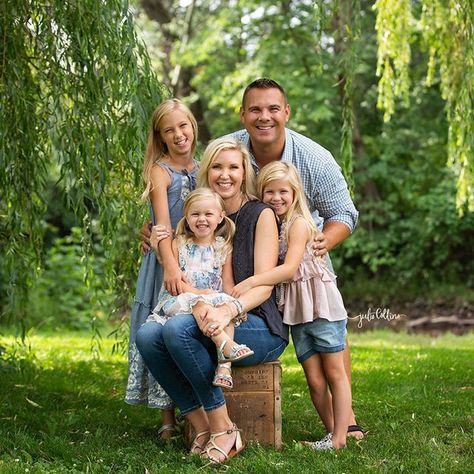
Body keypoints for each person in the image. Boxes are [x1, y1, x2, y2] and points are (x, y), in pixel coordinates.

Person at [139, 78, 363, 438]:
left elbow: (343, 214)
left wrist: (314, 245)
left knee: (327, 347)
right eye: (255, 109)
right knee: (151, 333)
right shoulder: (222, 169)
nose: (264, 116)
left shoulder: (309, 164)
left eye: (273, 108)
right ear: (243, 115)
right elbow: (180, 195)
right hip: (226, 298)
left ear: (286, 112)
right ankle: (199, 424)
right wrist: (155, 229)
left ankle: (343, 424)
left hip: (289, 279)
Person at [135, 138, 287, 464]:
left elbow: (264, 284)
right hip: (208, 314)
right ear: (207, 171)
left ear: (245, 172)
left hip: (256, 322)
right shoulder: (201, 214)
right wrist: (149, 233)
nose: (225, 174)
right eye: (217, 167)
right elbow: (167, 230)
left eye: (234, 167)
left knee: (178, 330)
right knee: (147, 336)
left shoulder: (260, 215)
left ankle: (224, 427)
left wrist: (228, 308)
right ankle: (201, 425)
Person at [232, 161, 351, 449]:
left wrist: (250, 282)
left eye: (283, 191)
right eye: (269, 192)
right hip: (297, 311)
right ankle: (332, 433)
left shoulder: (299, 223)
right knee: (313, 378)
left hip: (320, 306)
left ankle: (340, 437)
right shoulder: (276, 223)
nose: (277, 198)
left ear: (295, 192)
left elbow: (288, 270)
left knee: (334, 372)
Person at [125, 99, 199, 440]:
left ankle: (193, 407)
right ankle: (167, 418)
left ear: (193, 126)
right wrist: (169, 265)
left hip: (197, 261)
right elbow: (162, 227)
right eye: (169, 130)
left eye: (183, 126)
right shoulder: (160, 171)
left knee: (186, 330)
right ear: (161, 136)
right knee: (160, 325)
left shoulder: (204, 168)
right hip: (164, 262)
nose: (178, 134)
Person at [147, 188, 254, 389]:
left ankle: (225, 368)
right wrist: (199, 293)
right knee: (199, 303)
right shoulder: (179, 243)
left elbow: (227, 283)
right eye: (195, 214)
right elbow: (176, 284)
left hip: (211, 302)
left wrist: (234, 302)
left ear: (220, 217)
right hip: (179, 299)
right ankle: (225, 344)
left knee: (225, 306)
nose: (202, 219)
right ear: (186, 218)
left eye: (208, 214)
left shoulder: (223, 247)